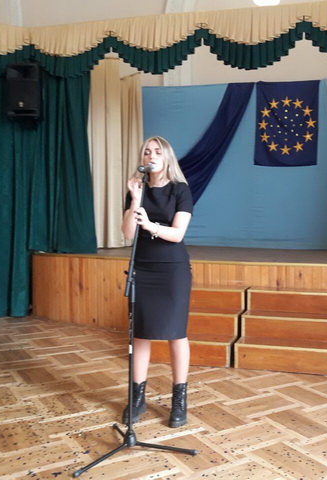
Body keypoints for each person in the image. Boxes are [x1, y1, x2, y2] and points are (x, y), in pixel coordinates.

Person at [121, 136, 193, 428]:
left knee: (176, 333)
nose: (151, 156)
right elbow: (128, 233)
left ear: (166, 158)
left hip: (172, 270)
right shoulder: (136, 189)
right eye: (147, 152)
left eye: (157, 152)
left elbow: (177, 234)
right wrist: (134, 200)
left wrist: (151, 226)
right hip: (143, 267)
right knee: (141, 333)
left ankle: (179, 400)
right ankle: (137, 398)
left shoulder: (180, 190)